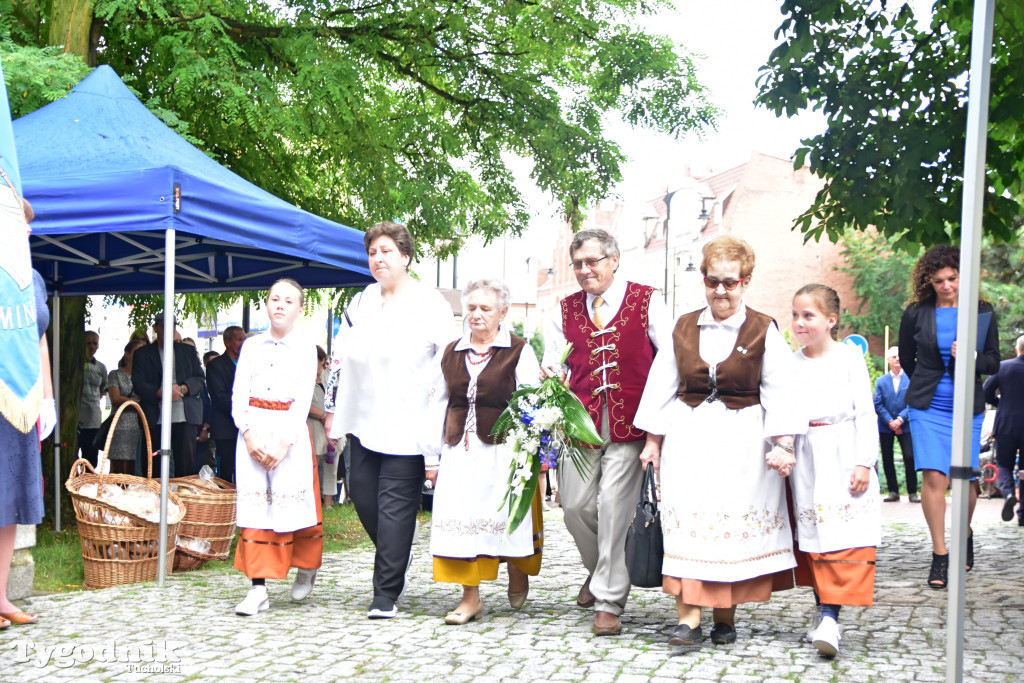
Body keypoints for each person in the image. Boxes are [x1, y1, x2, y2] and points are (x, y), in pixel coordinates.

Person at [634, 235, 804, 647]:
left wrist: (782, 445)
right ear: (704, 282)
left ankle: (724, 616)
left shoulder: (764, 329)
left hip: (743, 445)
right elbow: (662, 386)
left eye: (730, 282)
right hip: (688, 441)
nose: (721, 291)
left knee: (726, 526)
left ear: (745, 281)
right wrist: (652, 442)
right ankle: (688, 621)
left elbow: (782, 392)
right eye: (713, 282)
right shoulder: (683, 327)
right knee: (687, 524)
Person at [541, 228, 671, 637]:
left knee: (616, 510)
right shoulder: (560, 310)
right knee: (575, 508)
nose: (584, 270)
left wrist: (657, 430)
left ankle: (608, 600)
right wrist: (550, 373)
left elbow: (670, 362)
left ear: (614, 260)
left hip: (631, 425)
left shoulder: (647, 300)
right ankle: (601, 570)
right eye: (577, 264)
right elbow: (553, 360)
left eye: (592, 261)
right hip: (579, 426)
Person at [325, 221, 456, 619]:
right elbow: (339, 357)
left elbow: (449, 357)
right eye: (372, 252)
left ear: (405, 256)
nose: (377, 258)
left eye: (385, 251)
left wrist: (442, 412)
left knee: (395, 508)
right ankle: (396, 551)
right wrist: (332, 409)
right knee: (365, 500)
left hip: (410, 423)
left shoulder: (429, 302)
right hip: (364, 420)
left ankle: (385, 593)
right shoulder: (360, 301)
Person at [426, 279, 542, 624]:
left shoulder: (518, 350)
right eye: (472, 307)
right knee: (461, 521)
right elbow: (437, 404)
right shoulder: (452, 351)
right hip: (459, 452)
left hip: (502, 452)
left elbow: (531, 401)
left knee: (502, 521)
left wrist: (529, 452)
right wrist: (431, 456)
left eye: (485, 308)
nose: (476, 314)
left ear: (503, 312)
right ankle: (470, 596)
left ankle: (516, 567)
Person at [897, 244, 1000, 588]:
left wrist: (970, 354)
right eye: (939, 280)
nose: (946, 286)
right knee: (934, 478)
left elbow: (993, 363)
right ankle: (940, 554)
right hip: (927, 406)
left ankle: (964, 532)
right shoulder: (915, 312)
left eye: (952, 278)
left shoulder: (981, 312)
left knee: (965, 480)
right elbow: (908, 359)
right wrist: (928, 385)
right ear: (928, 279)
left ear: (962, 276)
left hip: (966, 406)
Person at [790, 284, 880, 658]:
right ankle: (823, 608)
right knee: (813, 535)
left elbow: (865, 412)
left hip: (842, 452)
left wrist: (864, 460)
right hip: (806, 455)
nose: (798, 322)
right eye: (794, 315)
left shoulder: (849, 358)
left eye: (808, 315)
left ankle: (830, 617)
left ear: (831, 319)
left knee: (840, 535)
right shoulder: (792, 362)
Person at [232, 279, 322, 615]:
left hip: (289, 433)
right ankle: (258, 589)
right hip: (254, 431)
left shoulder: (305, 348)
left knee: (294, 504)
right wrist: (249, 434)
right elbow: (239, 392)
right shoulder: (252, 346)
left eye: (288, 301)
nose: (280, 305)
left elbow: (301, 401)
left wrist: (284, 443)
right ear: (266, 304)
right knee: (256, 508)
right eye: (274, 299)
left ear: (300, 309)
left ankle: (306, 564)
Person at [0, 196, 56, 628]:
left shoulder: (32, 279)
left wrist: (48, 398)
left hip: (21, 402)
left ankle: (1, 598)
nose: (30, 231)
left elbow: (39, 341)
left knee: (10, 502)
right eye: (21, 223)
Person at [131, 314, 207, 478]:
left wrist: (183, 389)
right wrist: (160, 392)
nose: (169, 330)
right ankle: (155, 501)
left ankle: (183, 501)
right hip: (154, 414)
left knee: (185, 466)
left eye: (172, 326)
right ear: (156, 328)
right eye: (164, 326)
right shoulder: (143, 354)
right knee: (153, 466)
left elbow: (199, 378)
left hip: (184, 414)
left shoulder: (187, 351)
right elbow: (138, 383)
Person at [983, 335, 1024, 524]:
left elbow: (985, 391)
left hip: (1006, 423)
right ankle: (1023, 513)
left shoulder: (1004, 367)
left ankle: (1008, 494)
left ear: (1017, 349)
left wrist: (1000, 403)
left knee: (1004, 463)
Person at [873, 346, 919, 502]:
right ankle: (893, 491)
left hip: (905, 425)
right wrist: (890, 421)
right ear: (888, 360)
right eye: (893, 357)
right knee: (887, 458)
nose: (897, 359)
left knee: (909, 456)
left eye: (899, 357)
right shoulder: (881, 381)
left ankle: (912, 492)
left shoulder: (911, 379)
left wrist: (900, 419)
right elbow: (878, 403)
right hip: (886, 426)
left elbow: (913, 401)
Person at [207, 326, 244, 483]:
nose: (243, 343)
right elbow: (219, 397)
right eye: (239, 339)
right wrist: (244, 407)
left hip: (245, 427)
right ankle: (226, 504)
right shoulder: (216, 366)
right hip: (226, 428)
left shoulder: (247, 363)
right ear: (227, 342)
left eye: (244, 339)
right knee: (227, 470)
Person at [104, 339, 145, 475]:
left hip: (139, 425)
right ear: (127, 354)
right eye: (137, 351)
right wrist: (137, 402)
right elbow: (115, 398)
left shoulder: (145, 376)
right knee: (117, 467)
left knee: (136, 467)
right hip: (120, 425)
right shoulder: (115, 374)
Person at [308, 346, 335, 509]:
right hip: (313, 427)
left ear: (323, 360)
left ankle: (329, 503)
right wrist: (323, 416)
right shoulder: (303, 379)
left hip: (333, 428)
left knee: (331, 464)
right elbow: (303, 405)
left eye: (316, 360)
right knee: (313, 465)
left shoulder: (330, 377)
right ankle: (314, 502)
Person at [78, 330, 107, 466]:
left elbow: (103, 390)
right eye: (88, 343)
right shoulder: (76, 365)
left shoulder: (101, 368)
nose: (91, 346)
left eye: (94, 343)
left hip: (93, 420)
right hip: (76, 419)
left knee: (90, 458)